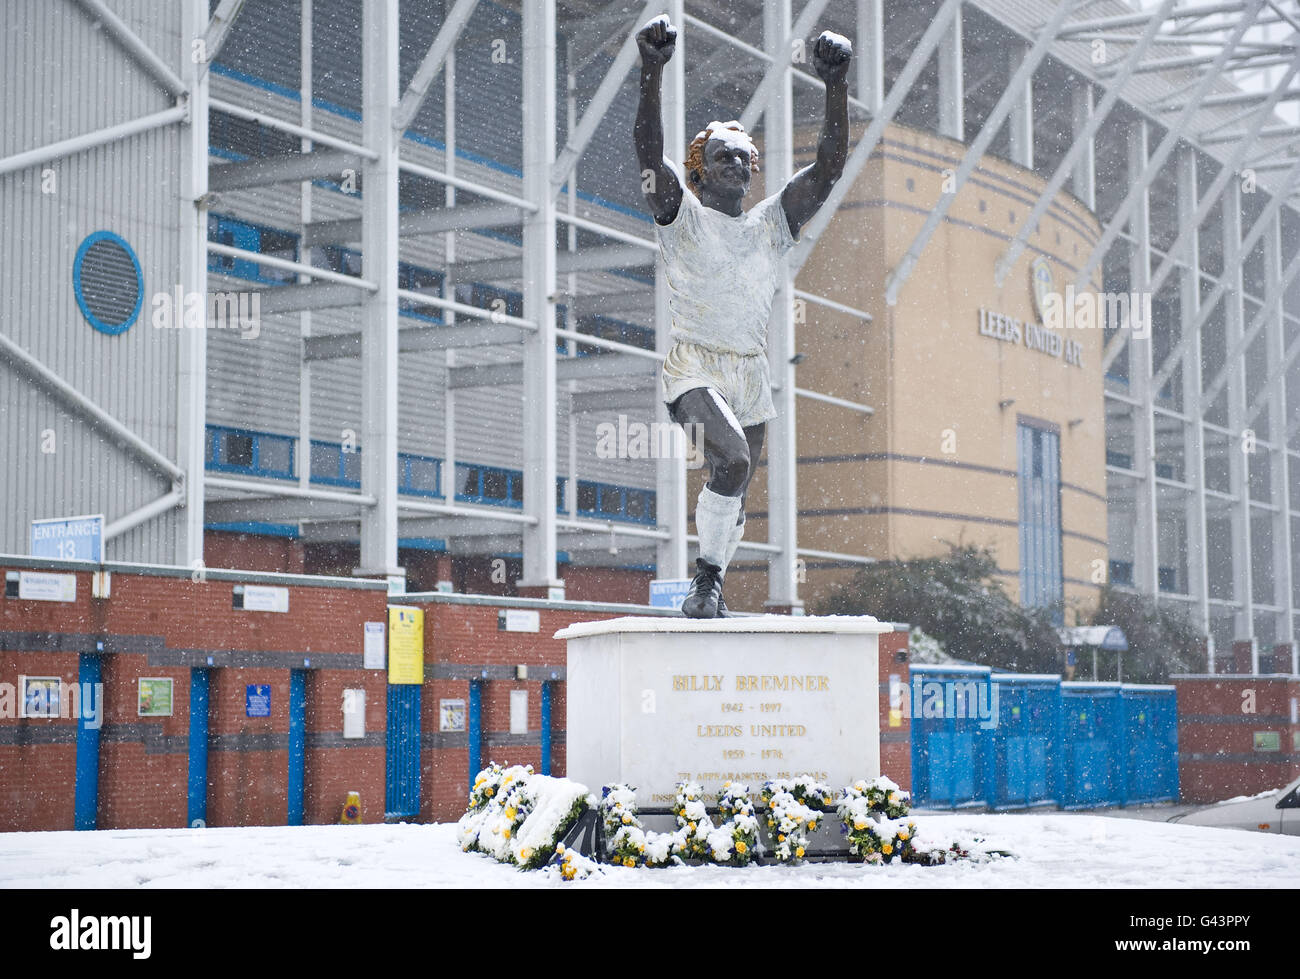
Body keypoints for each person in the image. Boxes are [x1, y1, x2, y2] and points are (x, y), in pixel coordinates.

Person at [633, 15, 852, 617]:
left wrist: (835, 88)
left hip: (750, 370)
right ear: (700, 169)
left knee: (735, 482)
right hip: (693, 365)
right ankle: (705, 584)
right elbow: (649, 155)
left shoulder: (770, 226)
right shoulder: (681, 215)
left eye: (746, 158)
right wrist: (651, 71)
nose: (738, 165)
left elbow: (828, 169)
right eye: (725, 156)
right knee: (731, 457)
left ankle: (710, 583)